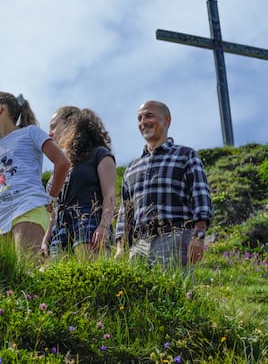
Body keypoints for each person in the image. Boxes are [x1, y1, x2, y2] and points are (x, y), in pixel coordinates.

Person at [114, 100, 212, 271]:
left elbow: (201, 199)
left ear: (167, 121)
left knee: (173, 295)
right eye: (139, 118)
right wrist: (121, 247)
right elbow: (126, 212)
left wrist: (198, 236)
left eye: (149, 116)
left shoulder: (185, 155)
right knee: (138, 296)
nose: (143, 122)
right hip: (139, 246)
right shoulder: (131, 167)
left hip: (174, 238)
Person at [0, 92, 70, 257]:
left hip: (28, 206)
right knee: (8, 281)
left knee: (29, 270)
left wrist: (51, 197)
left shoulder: (30, 133)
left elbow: (62, 162)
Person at [41, 108, 116, 260]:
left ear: (71, 123)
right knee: (55, 278)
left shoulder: (99, 154)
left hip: (89, 222)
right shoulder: (59, 169)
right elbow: (54, 209)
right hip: (60, 230)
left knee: (91, 275)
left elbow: (110, 195)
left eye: (54, 126)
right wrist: (46, 237)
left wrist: (104, 226)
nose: (50, 133)